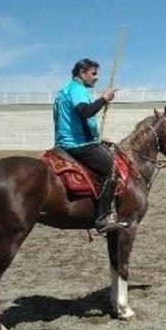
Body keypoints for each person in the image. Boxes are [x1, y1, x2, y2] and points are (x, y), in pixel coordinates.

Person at [53, 58, 125, 234]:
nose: (97, 77)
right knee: (113, 170)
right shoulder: (77, 89)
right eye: (93, 74)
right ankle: (103, 218)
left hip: (69, 142)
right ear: (81, 73)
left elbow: (73, 121)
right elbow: (85, 112)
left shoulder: (64, 91)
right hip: (79, 145)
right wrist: (104, 98)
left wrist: (98, 138)